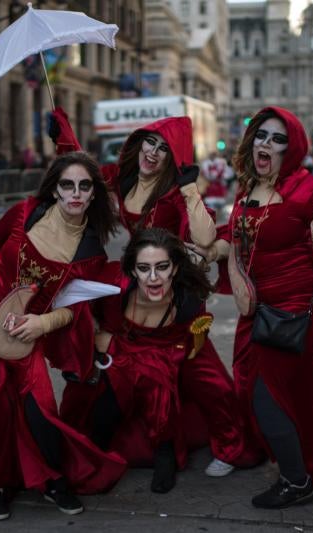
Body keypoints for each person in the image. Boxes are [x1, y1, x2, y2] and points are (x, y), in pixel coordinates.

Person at [50, 108, 257, 477]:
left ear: (173, 158)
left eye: (164, 148)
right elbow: (82, 171)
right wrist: (63, 134)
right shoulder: (122, 176)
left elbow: (205, 238)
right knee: (110, 346)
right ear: (139, 142)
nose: (153, 152)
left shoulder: (174, 192)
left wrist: (189, 187)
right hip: (138, 282)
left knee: (202, 376)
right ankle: (107, 432)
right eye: (150, 142)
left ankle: (232, 444)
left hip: (175, 290)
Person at [0, 152, 126, 521]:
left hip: (26, 333)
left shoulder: (91, 251)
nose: (76, 192)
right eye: (67, 184)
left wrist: (41, 325)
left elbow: (76, 309)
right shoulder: (24, 213)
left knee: (40, 405)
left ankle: (52, 479)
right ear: (55, 189)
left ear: (93, 193)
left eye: (84, 185)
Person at [197, 106, 313, 509]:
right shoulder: (248, 187)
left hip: (295, 311)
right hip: (256, 307)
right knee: (262, 386)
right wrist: (212, 251)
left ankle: (296, 480)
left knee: (265, 394)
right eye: (261, 135)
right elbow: (238, 236)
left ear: (293, 147)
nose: (266, 143)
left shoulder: (312, 192)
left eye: (278, 138)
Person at [61, 228, 232, 493]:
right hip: (117, 348)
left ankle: (165, 451)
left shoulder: (187, 300)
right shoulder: (113, 284)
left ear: (175, 268)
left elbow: (186, 342)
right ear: (132, 270)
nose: (153, 278)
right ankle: (96, 448)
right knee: (108, 402)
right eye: (144, 268)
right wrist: (96, 333)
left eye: (162, 267)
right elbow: (73, 299)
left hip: (161, 352)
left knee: (158, 385)